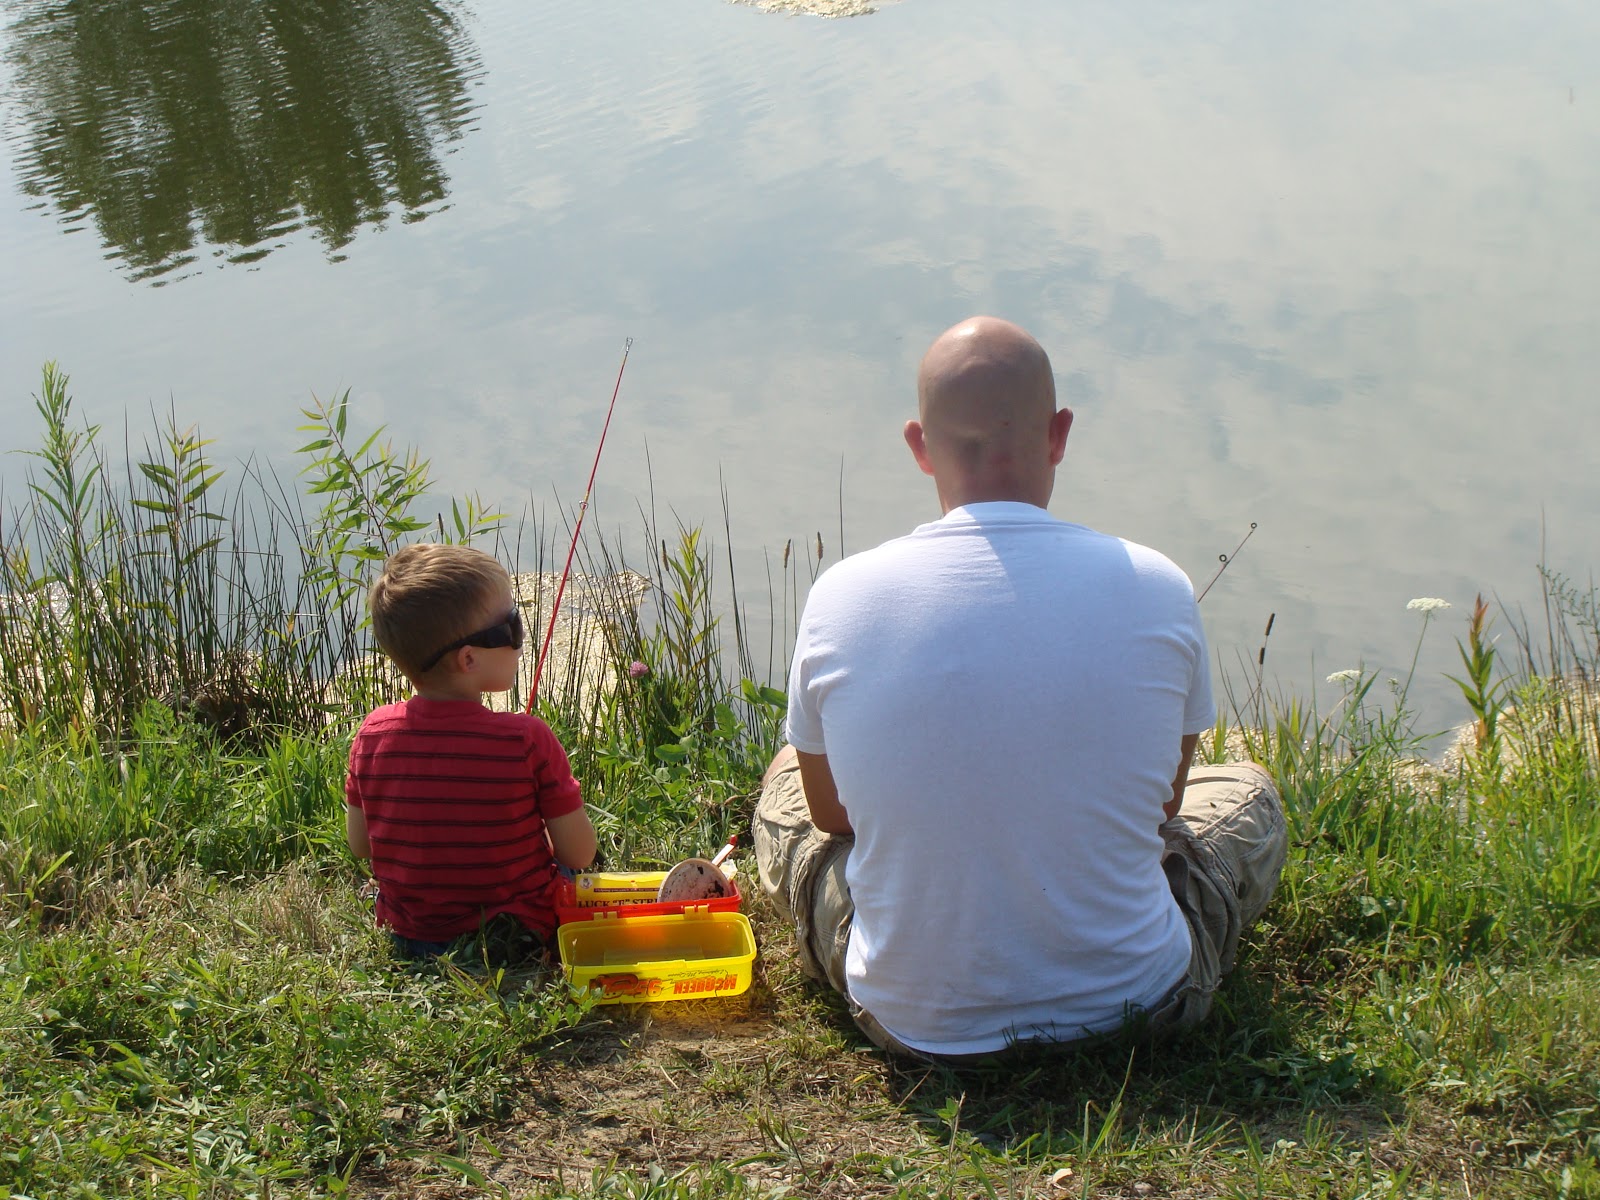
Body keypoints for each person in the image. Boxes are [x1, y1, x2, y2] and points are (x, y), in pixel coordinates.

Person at [753, 315, 1287, 1061]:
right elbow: (1164, 808)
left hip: (913, 1023)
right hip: (1142, 1003)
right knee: (1249, 791)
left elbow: (831, 814)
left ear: (919, 447)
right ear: (1059, 433)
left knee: (785, 777)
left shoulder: (842, 594)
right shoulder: (1159, 585)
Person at [346, 543, 597, 961]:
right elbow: (580, 853)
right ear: (468, 659)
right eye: (512, 627)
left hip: (409, 935)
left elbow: (360, 845)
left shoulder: (372, 734)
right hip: (518, 935)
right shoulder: (527, 738)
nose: (520, 641)